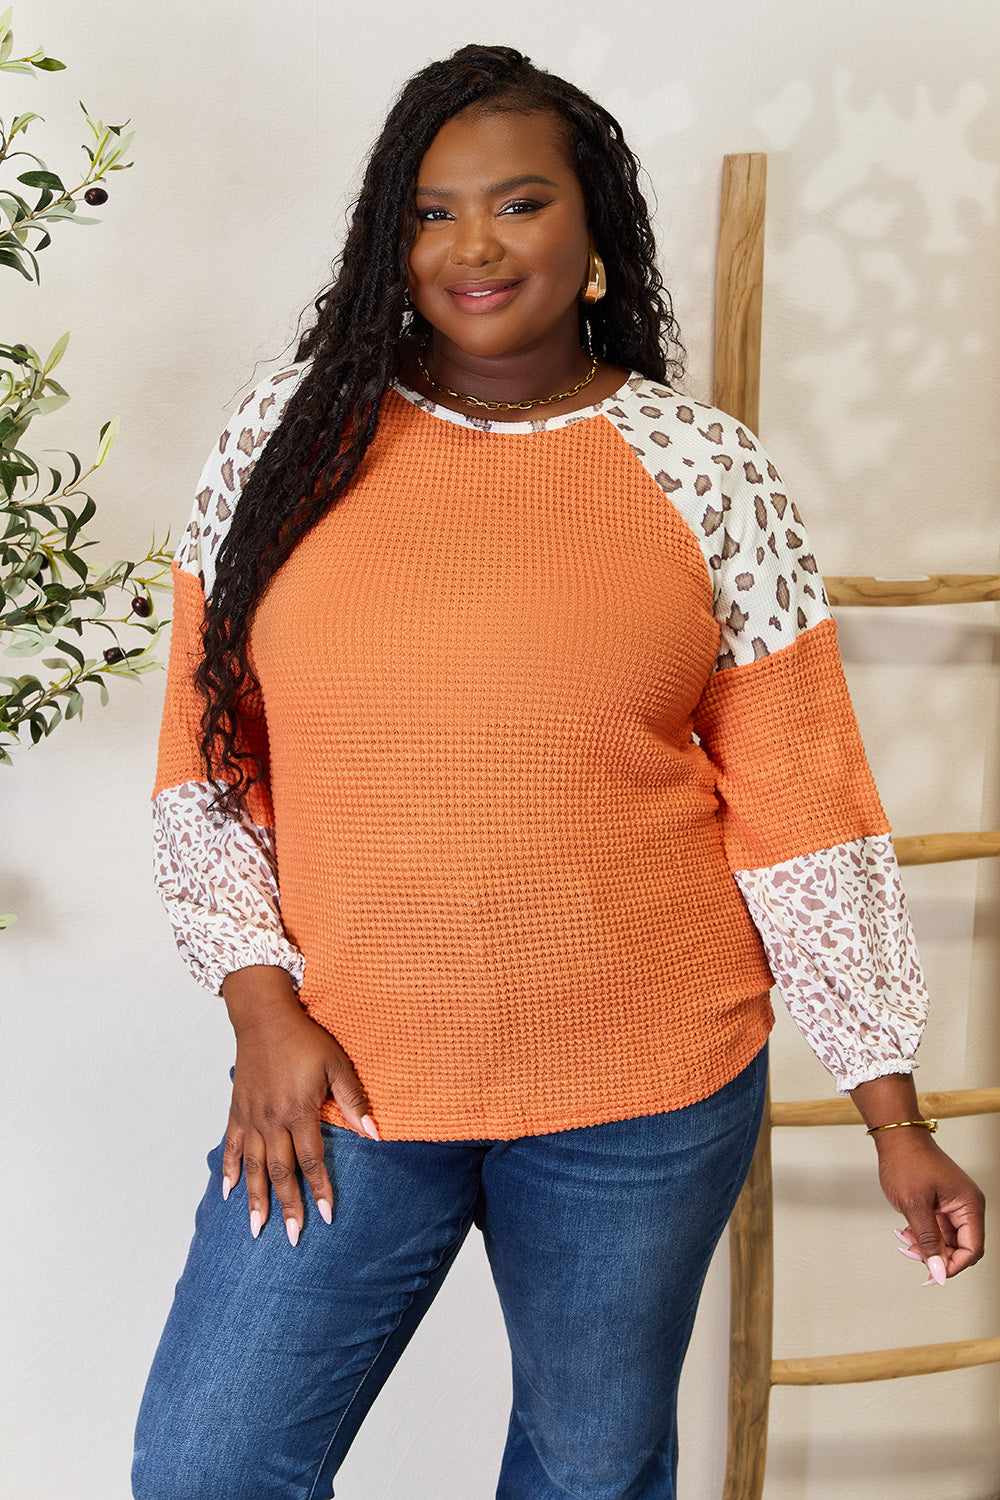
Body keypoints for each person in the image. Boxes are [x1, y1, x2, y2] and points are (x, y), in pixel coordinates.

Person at [132, 43, 985, 1500]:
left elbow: (803, 812)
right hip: (347, 1079)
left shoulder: (704, 471)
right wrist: (259, 1006)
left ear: (593, 238)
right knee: (210, 1466)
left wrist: (893, 1117)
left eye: (518, 204)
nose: (473, 246)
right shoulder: (288, 444)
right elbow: (204, 770)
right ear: (391, 242)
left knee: (592, 1477)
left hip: (642, 1093)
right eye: (431, 211)